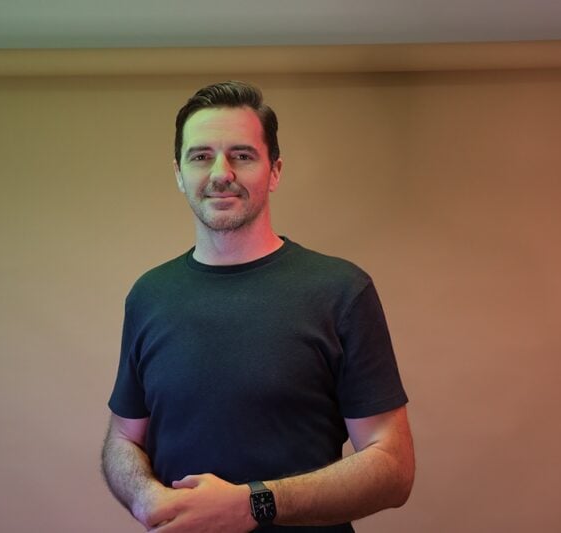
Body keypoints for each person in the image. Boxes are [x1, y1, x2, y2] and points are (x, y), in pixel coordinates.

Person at [102, 80, 415, 532]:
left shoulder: (341, 291)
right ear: (179, 173)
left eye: (242, 155)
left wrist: (253, 503)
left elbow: (393, 465)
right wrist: (144, 496)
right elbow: (123, 438)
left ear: (274, 171)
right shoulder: (150, 295)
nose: (221, 173)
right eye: (201, 156)